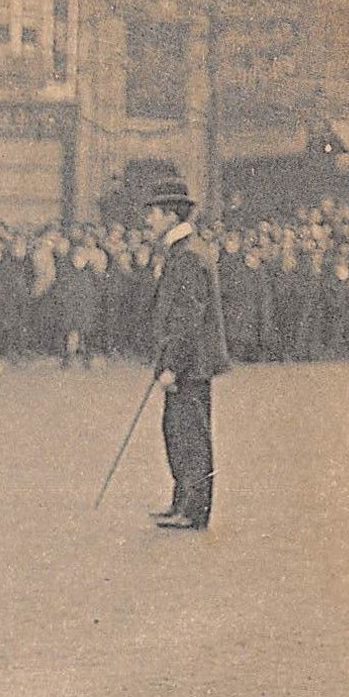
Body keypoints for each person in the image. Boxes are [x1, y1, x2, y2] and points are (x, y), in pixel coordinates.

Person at [144, 180, 229, 531]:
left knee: (190, 435)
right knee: (177, 432)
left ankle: (193, 510)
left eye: (152, 213)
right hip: (185, 362)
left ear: (170, 214)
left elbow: (187, 318)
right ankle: (182, 502)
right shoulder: (182, 250)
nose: (147, 220)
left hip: (190, 364)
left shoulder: (189, 255)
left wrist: (171, 365)